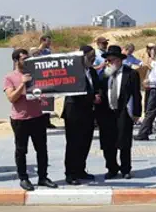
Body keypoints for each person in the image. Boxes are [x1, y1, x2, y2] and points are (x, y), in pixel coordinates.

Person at [3, 48, 58, 191]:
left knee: (42, 149)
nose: (27, 61)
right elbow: (11, 98)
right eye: (24, 59)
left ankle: (43, 177)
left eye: (28, 59)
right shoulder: (10, 77)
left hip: (37, 117)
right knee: (21, 150)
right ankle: (23, 178)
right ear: (16, 61)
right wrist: (22, 83)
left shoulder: (35, 75)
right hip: (20, 119)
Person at [100, 45, 142, 180]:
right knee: (108, 142)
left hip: (124, 111)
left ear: (119, 60)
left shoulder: (131, 74)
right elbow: (100, 92)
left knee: (124, 142)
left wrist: (136, 113)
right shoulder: (104, 74)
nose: (110, 63)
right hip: (107, 112)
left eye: (112, 60)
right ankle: (112, 168)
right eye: (108, 60)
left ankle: (125, 169)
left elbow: (136, 94)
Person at [62, 45, 102, 185]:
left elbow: (97, 86)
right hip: (74, 112)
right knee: (73, 144)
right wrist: (92, 98)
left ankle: (80, 170)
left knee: (85, 143)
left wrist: (98, 94)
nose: (93, 59)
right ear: (82, 57)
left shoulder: (91, 71)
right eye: (91, 57)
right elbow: (76, 92)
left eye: (94, 57)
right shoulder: (73, 71)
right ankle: (70, 173)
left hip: (88, 112)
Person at [29, 34, 57, 129]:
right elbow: (34, 54)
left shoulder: (48, 51)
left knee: (47, 100)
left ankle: (47, 121)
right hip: (38, 79)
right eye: (48, 41)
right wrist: (41, 47)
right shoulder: (34, 49)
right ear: (43, 41)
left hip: (47, 78)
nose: (49, 43)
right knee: (38, 100)